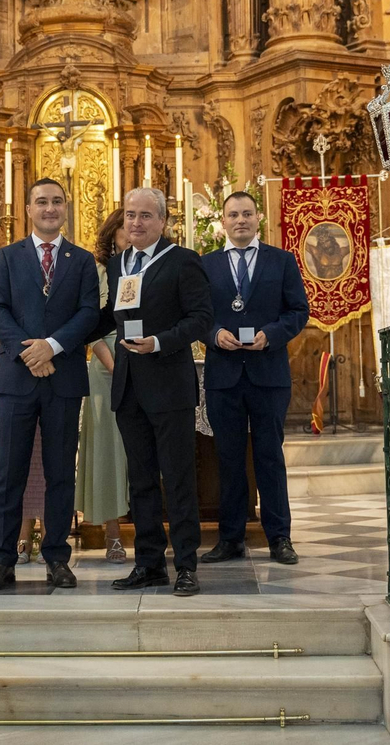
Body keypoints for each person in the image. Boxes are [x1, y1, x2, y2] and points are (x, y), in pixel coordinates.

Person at [0, 178, 100, 592]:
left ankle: (57, 557)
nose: (49, 208)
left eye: (56, 202)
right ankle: (2, 560)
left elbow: (88, 313)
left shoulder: (81, 261)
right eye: (41, 201)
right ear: (28, 208)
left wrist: (51, 346)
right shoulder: (8, 257)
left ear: (66, 208)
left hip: (63, 378)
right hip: (17, 378)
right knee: (9, 472)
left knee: (60, 472)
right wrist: (28, 352)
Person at [96, 187, 213, 597]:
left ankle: (185, 565)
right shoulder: (118, 264)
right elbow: (109, 316)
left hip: (169, 385)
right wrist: (60, 337)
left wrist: (160, 341)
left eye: (146, 216)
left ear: (163, 221)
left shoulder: (182, 261)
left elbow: (201, 318)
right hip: (129, 387)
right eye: (130, 215)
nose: (136, 223)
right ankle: (148, 564)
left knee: (177, 479)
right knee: (140, 481)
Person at [200, 192, 310, 567]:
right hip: (224, 376)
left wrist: (272, 334)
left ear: (258, 218)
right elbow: (197, 315)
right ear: (223, 221)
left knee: (269, 457)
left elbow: (298, 310)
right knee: (228, 459)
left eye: (247, 213)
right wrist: (214, 334)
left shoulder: (281, 261)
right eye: (234, 214)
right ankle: (230, 538)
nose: (241, 220)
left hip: (268, 374)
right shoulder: (206, 265)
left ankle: (280, 537)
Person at [78, 208, 131, 563]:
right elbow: (90, 326)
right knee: (110, 452)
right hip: (107, 367)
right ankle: (112, 535)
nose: (133, 231)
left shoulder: (148, 266)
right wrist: (114, 367)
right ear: (113, 235)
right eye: (126, 227)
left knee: (138, 452)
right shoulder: (98, 271)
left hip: (144, 360)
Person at [0, 321, 47, 565]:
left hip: (48, 381)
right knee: (13, 468)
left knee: (47, 467)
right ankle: (21, 537)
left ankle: (49, 538)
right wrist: (20, 368)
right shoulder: (4, 303)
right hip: (11, 386)